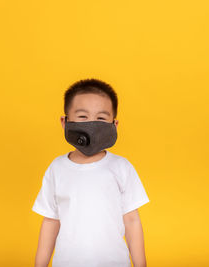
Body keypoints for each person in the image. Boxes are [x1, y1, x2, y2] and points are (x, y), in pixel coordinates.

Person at [32, 78, 150, 267]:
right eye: (82, 117)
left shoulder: (121, 167)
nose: (92, 124)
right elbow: (50, 221)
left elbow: (132, 220)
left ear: (114, 125)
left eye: (101, 118)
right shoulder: (57, 168)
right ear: (65, 122)